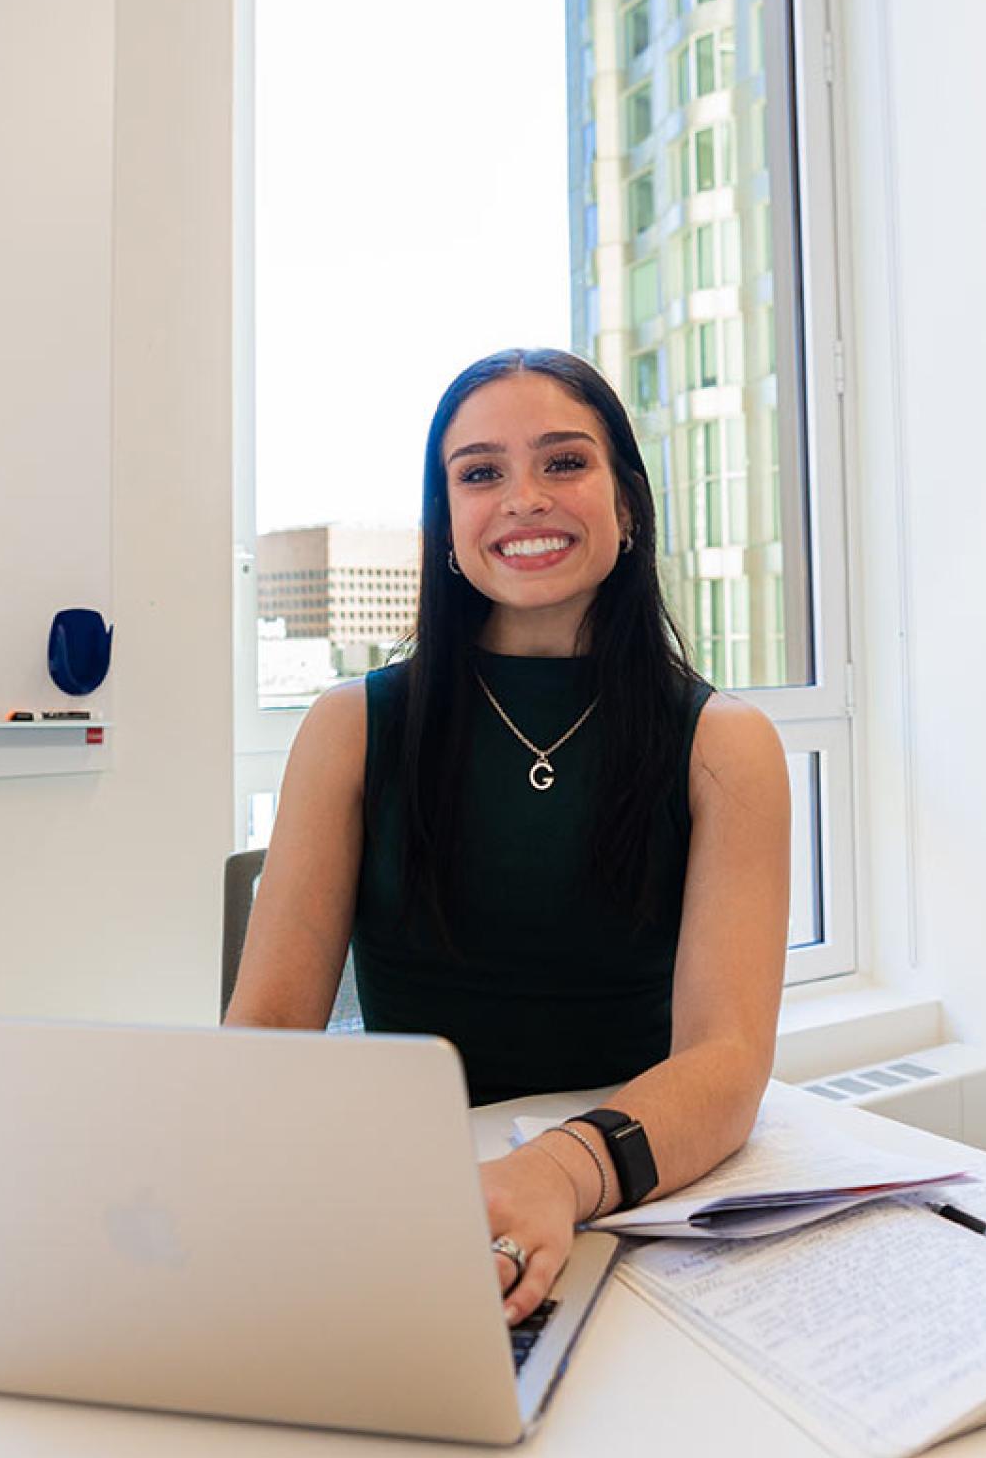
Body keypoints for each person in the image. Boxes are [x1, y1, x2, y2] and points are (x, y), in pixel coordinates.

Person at [226, 348, 790, 1325]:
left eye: (563, 463)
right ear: (446, 526)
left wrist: (557, 1173)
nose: (523, 498)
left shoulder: (724, 743)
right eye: (480, 473)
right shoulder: (349, 727)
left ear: (627, 502)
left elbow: (727, 1058)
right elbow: (268, 1033)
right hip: (412, 1193)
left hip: (641, 1183)